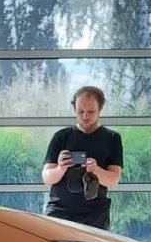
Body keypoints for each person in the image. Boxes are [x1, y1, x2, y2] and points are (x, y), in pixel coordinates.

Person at [40, 86, 123, 230]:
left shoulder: (112, 138)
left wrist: (96, 170)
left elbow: (113, 180)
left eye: (91, 112)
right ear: (74, 109)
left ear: (100, 109)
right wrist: (60, 168)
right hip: (60, 210)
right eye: (80, 111)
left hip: (95, 214)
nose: (85, 116)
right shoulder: (61, 137)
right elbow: (47, 178)